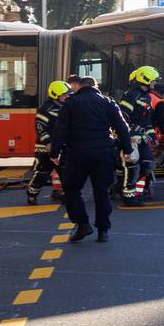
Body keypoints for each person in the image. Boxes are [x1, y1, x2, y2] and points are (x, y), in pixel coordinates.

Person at [54, 74, 130, 242]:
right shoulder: (108, 102)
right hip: (103, 153)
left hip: (77, 153)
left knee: (72, 190)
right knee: (101, 191)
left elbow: (60, 131)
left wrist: (54, 153)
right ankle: (103, 231)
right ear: (96, 87)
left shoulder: (70, 104)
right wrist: (127, 149)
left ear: (79, 87)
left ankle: (83, 224)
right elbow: (122, 127)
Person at [118, 66, 164, 204]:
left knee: (148, 165)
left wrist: (153, 137)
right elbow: (122, 117)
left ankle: (131, 188)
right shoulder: (131, 95)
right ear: (145, 80)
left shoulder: (146, 97)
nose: (154, 83)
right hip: (131, 138)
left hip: (142, 140)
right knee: (133, 166)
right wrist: (132, 130)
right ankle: (129, 196)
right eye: (153, 81)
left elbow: (147, 122)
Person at [25, 80, 69, 205]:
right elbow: (40, 127)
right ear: (55, 95)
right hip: (44, 148)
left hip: (62, 146)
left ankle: (68, 196)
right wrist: (48, 142)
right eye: (64, 95)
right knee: (42, 173)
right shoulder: (45, 109)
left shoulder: (66, 107)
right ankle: (32, 194)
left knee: (66, 173)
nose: (67, 97)